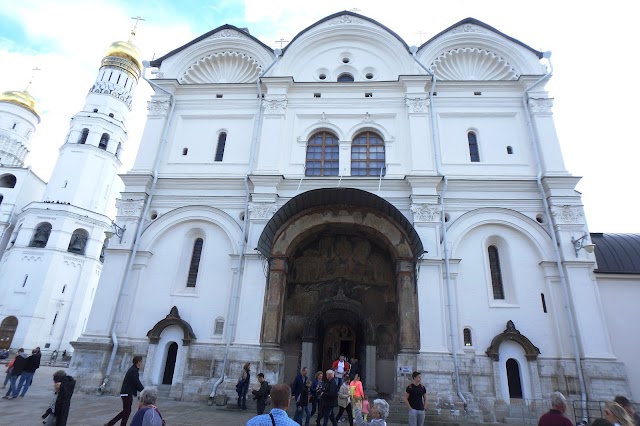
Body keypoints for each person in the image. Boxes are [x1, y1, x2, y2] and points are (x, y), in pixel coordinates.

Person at [105, 355, 145, 426]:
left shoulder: (134, 369)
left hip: (127, 392)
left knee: (126, 411)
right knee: (127, 411)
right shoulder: (134, 370)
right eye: (141, 361)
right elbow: (136, 382)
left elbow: (135, 382)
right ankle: (114, 424)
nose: (142, 363)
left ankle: (111, 423)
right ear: (138, 362)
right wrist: (144, 390)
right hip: (127, 393)